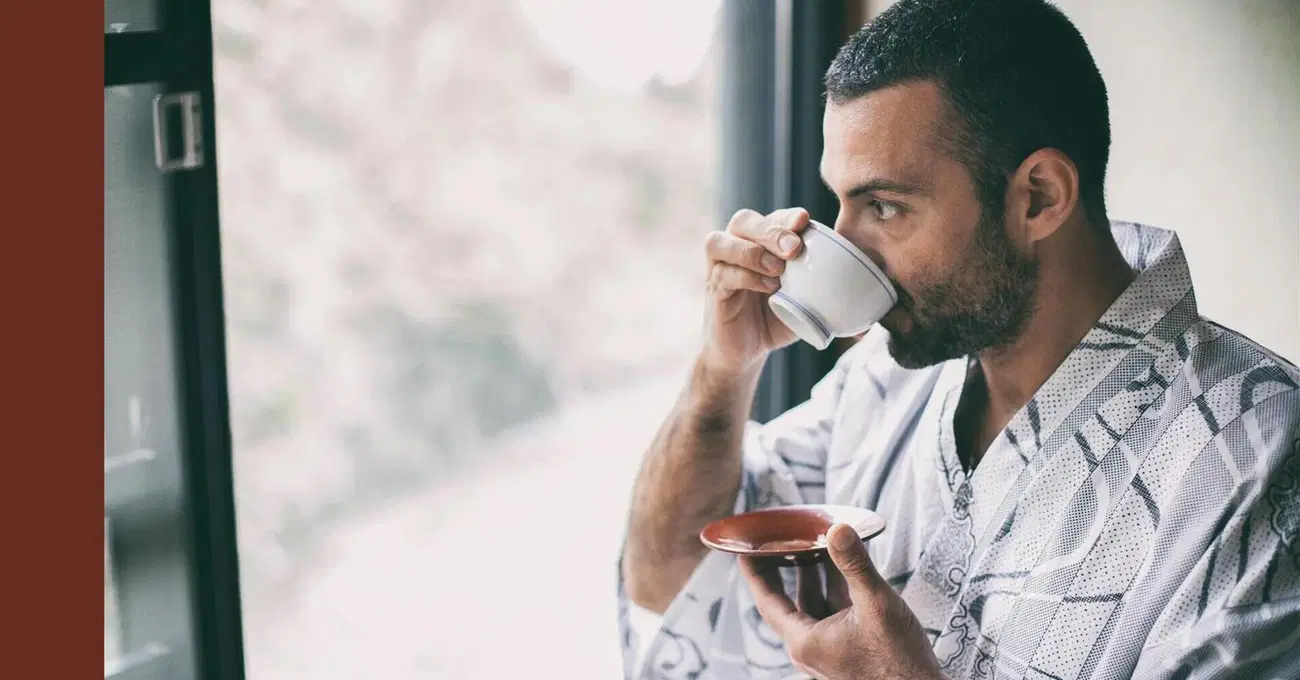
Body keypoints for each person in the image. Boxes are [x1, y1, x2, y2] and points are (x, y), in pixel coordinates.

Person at [616, 0, 1300, 678]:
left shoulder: (1259, 457)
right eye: (840, 205)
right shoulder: (884, 381)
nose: (842, 247)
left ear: (1038, 197)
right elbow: (674, 589)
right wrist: (724, 368)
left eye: (884, 206)